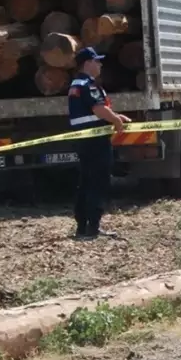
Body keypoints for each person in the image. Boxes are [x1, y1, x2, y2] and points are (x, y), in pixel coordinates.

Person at [68, 47, 130, 239]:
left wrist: (114, 115)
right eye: (97, 61)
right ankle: (92, 228)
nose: (100, 64)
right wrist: (116, 121)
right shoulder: (88, 85)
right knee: (98, 182)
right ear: (88, 63)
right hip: (95, 141)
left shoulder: (76, 84)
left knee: (86, 182)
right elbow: (98, 109)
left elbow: (93, 110)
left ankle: (83, 227)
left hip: (84, 140)